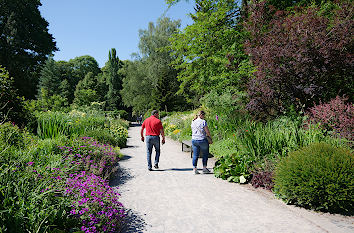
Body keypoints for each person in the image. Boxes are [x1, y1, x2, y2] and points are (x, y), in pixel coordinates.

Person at [191, 110, 212, 174]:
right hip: (202, 139)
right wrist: (210, 137)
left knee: (195, 154)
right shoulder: (203, 121)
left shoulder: (193, 121)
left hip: (194, 139)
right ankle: (204, 168)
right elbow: (207, 131)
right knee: (205, 154)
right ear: (202, 115)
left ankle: (194, 169)